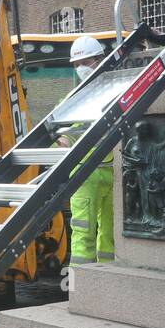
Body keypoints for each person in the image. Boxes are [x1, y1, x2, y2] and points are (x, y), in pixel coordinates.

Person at [59, 35, 114, 264]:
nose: (81, 68)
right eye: (77, 65)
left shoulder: (114, 89)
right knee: (82, 233)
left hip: (112, 171)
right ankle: (79, 289)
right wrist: (62, 139)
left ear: (100, 59)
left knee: (111, 235)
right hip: (84, 174)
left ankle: (107, 282)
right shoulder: (72, 99)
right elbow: (59, 132)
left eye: (85, 62)